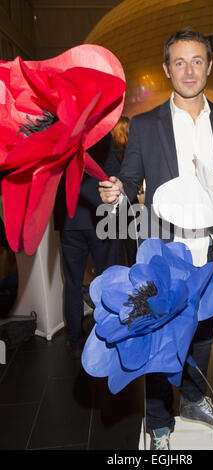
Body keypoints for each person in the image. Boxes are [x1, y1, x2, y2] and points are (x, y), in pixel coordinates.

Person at [99, 27, 213, 449]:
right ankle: (159, 416)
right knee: (160, 335)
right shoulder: (145, 125)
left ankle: (195, 401)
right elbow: (128, 181)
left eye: (197, 60)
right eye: (179, 62)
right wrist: (117, 193)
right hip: (164, 247)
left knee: (204, 330)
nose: (189, 70)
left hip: (211, 246)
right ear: (167, 69)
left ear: (210, 66)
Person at [54, 133, 120, 358]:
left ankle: (75, 341)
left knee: (72, 282)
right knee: (107, 280)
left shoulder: (58, 134)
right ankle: (108, 337)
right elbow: (113, 172)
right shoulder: (101, 131)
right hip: (100, 215)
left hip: (69, 217)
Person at [111, 116, 138, 267]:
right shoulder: (132, 153)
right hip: (129, 202)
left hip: (113, 204)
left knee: (117, 249)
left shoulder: (109, 154)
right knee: (132, 246)